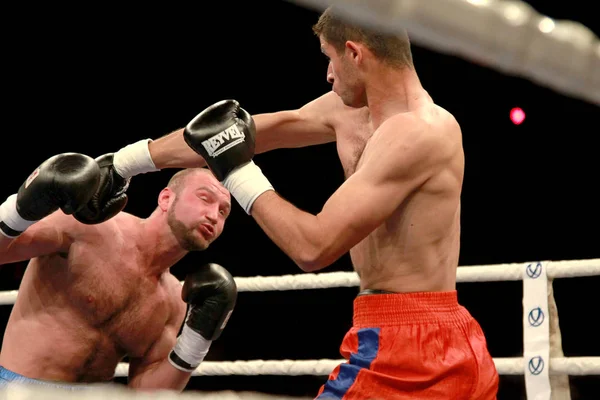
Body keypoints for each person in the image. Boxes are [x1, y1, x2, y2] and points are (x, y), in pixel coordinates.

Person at [104, 6, 498, 399]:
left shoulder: (421, 132)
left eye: (329, 58)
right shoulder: (349, 112)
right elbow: (225, 136)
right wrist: (119, 165)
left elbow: (315, 247)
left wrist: (238, 174)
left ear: (355, 53)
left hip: (413, 347)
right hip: (407, 336)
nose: (328, 74)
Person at [0, 152, 237, 391]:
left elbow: (146, 392)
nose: (213, 215)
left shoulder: (173, 302)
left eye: (223, 212)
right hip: (19, 389)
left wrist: (195, 344)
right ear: (166, 199)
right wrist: (18, 210)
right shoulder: (90, 230)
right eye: (205, 199)